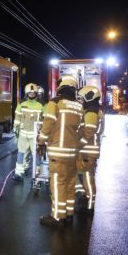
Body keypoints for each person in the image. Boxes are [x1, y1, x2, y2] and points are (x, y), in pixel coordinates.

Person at [37, 75, 84, 226]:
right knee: (70, 182)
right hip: (73, 152)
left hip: (58, 151)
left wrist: (41, 140)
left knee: (58, 184)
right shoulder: (79, 106)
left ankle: (57, 216)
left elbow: (48, 123)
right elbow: (81, 130)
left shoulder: (55, 102)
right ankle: (68, 213)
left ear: (61, 87)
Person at [75, 85, 104, 214]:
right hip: (88, 149)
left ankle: (89, 205)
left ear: (89, 97)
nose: (80, 101)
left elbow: (89, 132)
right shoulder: (92, 110)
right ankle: (85, 199)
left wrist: (78, 144)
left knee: (87, 176)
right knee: (84, 175)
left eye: (81, 98)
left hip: (88, 150)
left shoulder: (91, 112)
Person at [12, 83, 44, 181]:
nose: (31, 94)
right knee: (21, 153)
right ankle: (19, 173)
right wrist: (16, 130)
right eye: (29, 93)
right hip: (23, 134)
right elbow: (17, 118)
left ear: (36, 93)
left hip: (36, 135)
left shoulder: (42, 105)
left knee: (36, 154)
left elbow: (46, 119)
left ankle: (38, 173)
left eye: (33, 92)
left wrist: (43, 133)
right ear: (26, 93)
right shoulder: (21, 105)